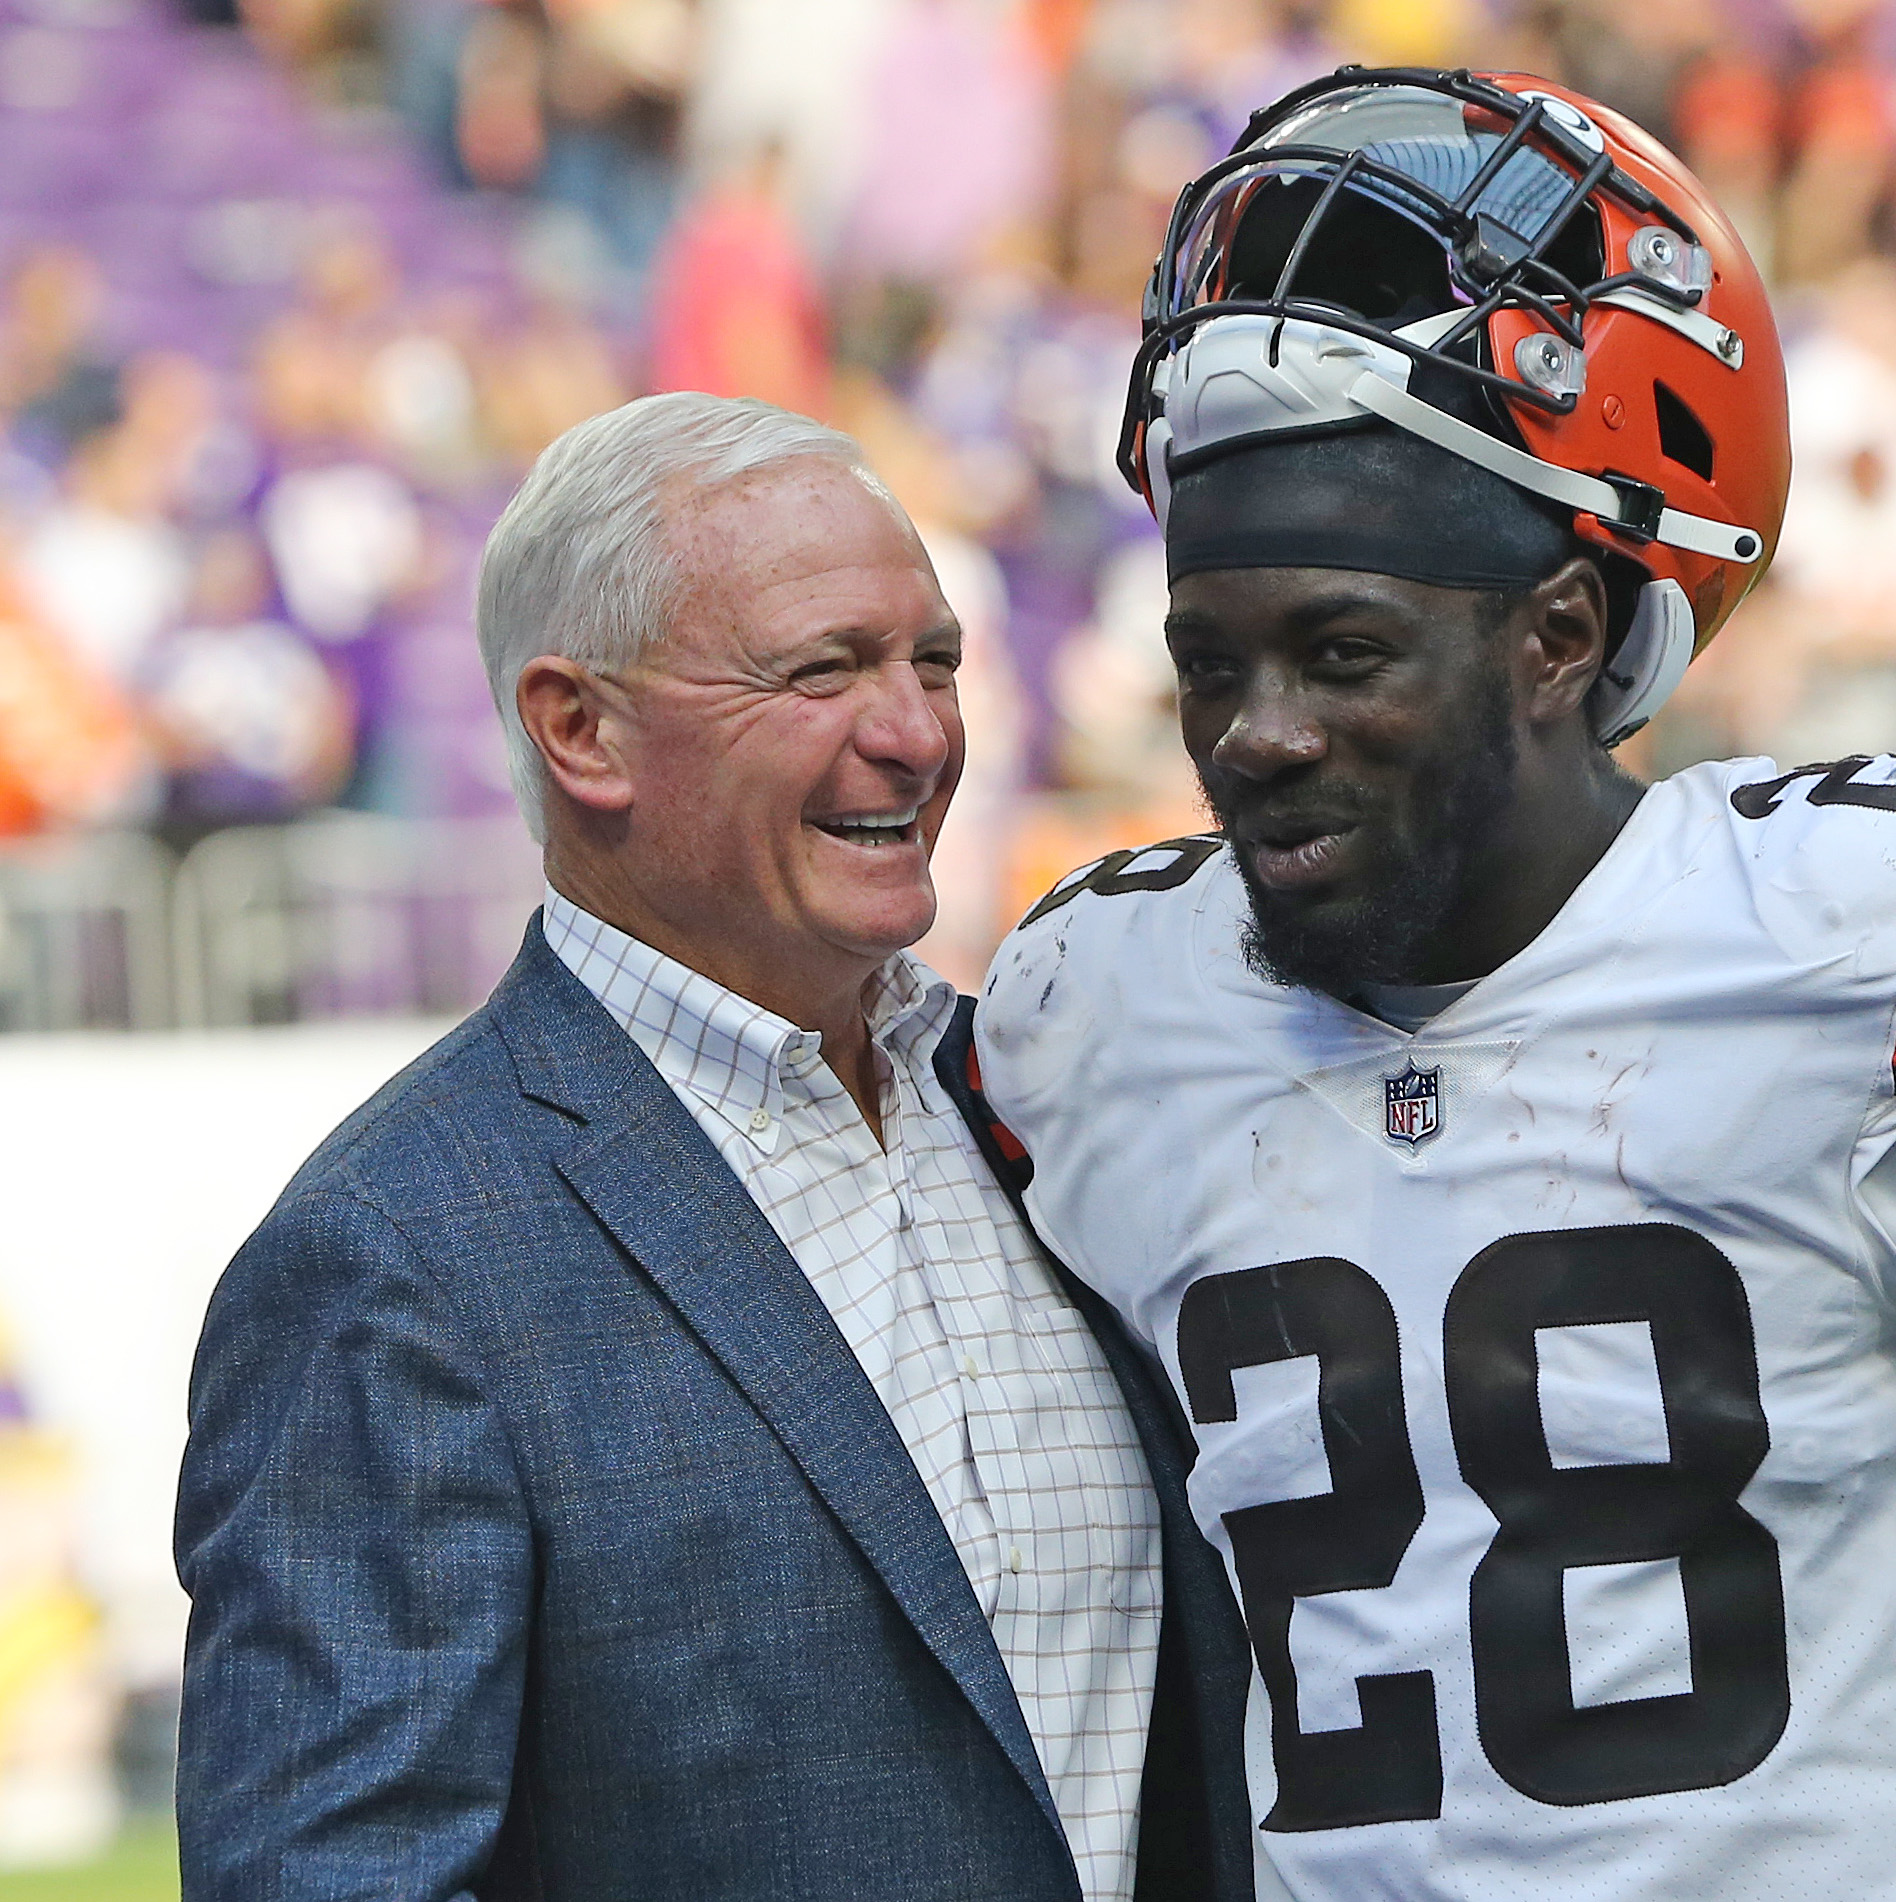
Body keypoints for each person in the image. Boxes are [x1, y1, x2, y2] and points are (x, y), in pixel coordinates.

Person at [964, 69, 1896, 1901]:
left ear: (1561, 635)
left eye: (1343, 652)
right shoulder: (1091, 1005)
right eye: (1209, 661)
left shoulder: (1858, 943)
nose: (1256, 735)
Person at [175, 393, 1252, 1901]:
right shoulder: (392, 1254)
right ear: (580, 730)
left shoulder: (1045, 1106)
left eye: (932, 660)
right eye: (821, 670)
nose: (917, 733)